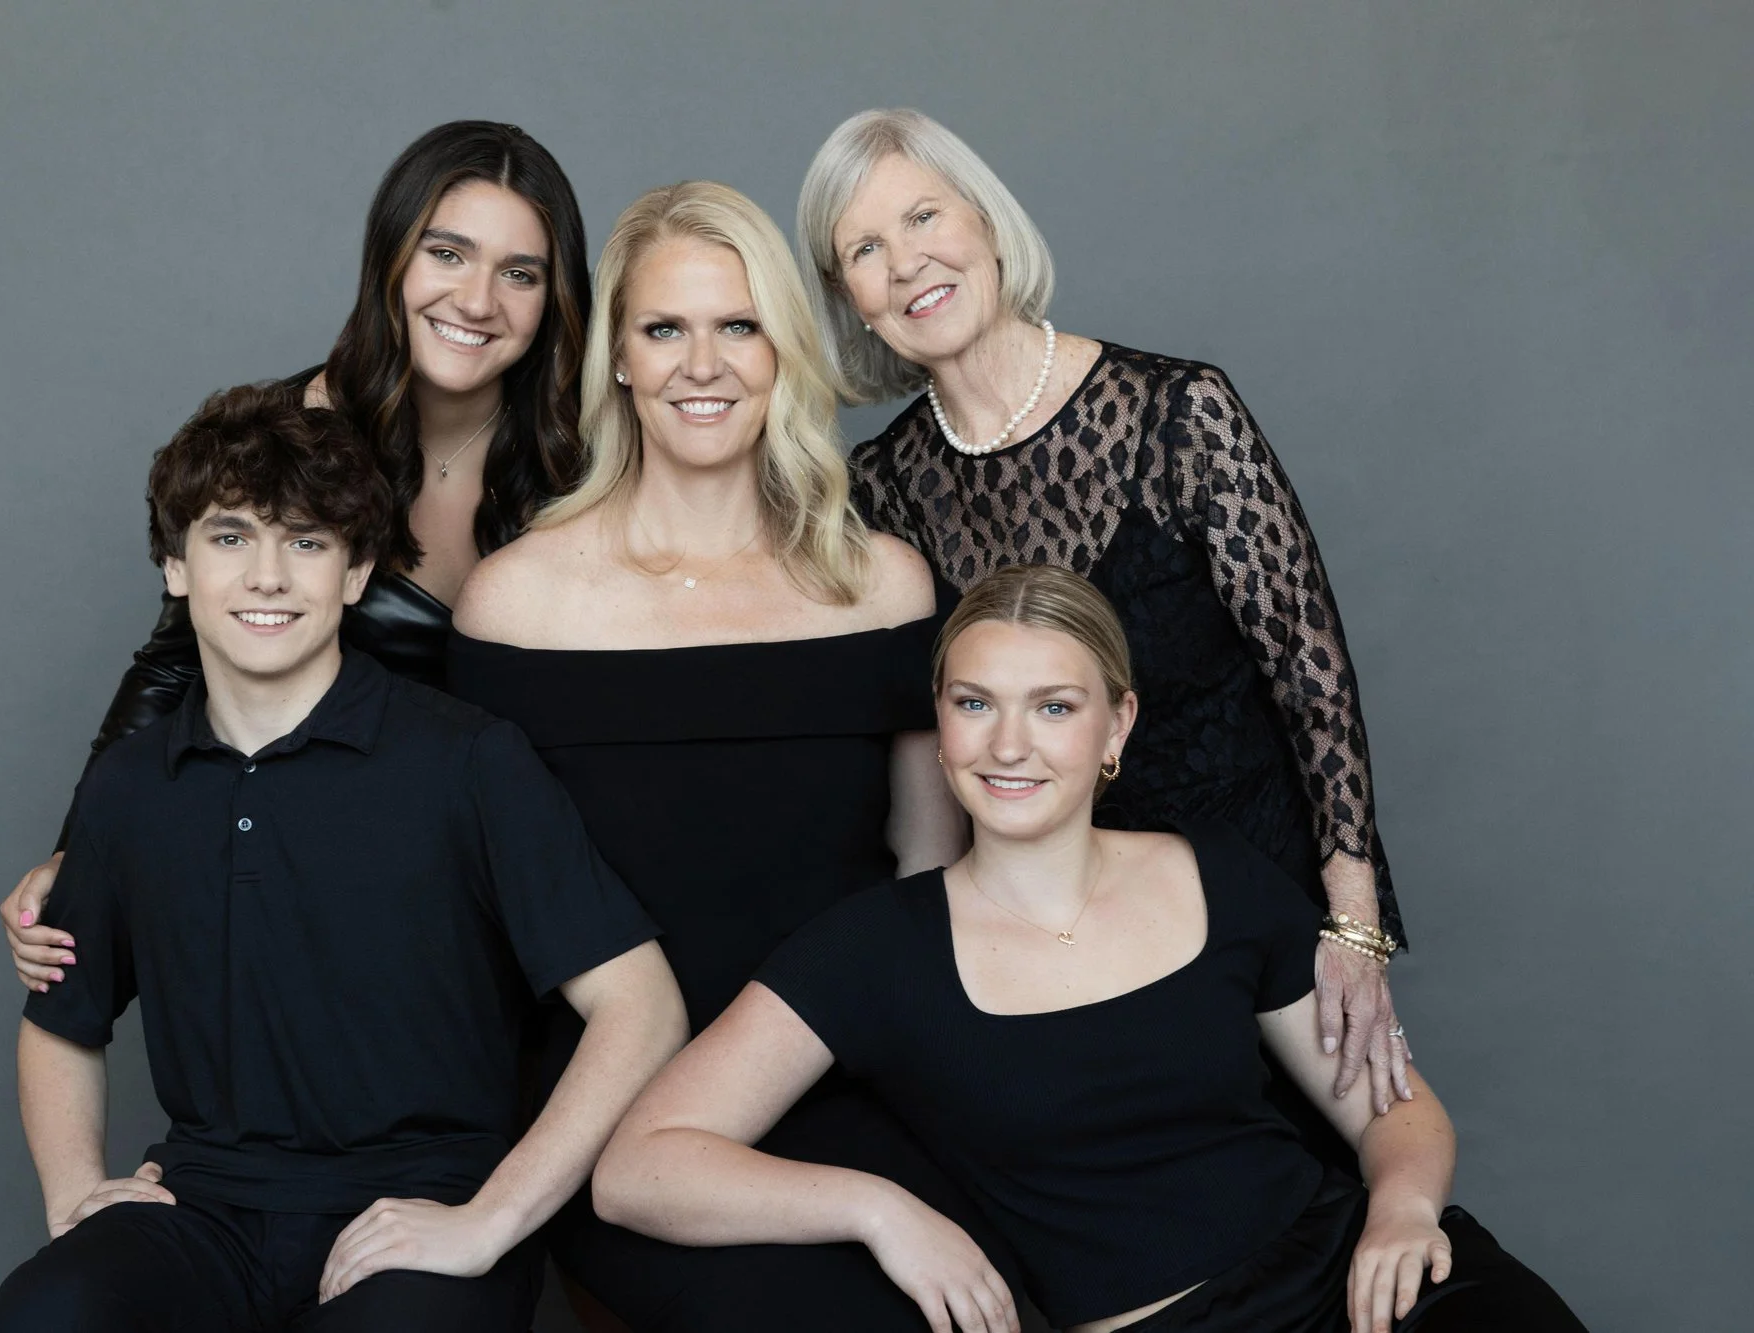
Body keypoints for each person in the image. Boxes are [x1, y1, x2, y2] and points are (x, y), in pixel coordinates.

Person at [595, 564, 1586, 1333]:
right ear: (938, 728)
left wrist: (1404, 1211)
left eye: (1053, 706)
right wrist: (876, 1209)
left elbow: (1392, 1107)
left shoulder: (1218, 873)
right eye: (973, 702)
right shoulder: (874, 947)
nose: (1007, 744)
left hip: (1377, 1279)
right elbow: (639, 1170)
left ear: (1116, 726)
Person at [0, 384, 685, 1332]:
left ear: (355, 574)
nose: (268, 576)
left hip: (414, 1210)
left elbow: (643, 1005)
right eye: (229, 537)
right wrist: (73, 1193)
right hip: (202, 1210)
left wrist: (490, 1220)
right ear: (175, 565)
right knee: (39, 1318)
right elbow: (62, 1018)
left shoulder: (468, 760)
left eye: (305, 542)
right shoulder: (131, 785)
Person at [446, 180, 1012, 1331]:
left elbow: (926, 876)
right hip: (613, 1108)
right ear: (616, 357)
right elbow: (480, 918)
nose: (700, 364)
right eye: (664, 329)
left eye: (737, 326)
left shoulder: (879, 584)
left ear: (783, 353)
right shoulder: (516, 603)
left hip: (848, 1081)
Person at [797, 107, 1409, 1117]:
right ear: (850, 302)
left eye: (922, 218)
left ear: (985, 225)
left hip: (1255, 912)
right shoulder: (885, 489)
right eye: (863, 249)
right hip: (1057, 943)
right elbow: (930, 759)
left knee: (1331, 1179)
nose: (904, 263)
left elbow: (1312, 677)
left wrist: (1351, 927)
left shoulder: (1179, 413)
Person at [0, 119, 593, 991]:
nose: (477, 301)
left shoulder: (584, 465)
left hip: (538, 880)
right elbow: (171, 667)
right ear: (390, 256)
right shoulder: (287, 435)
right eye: (447, 254)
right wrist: (75, 850)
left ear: (553, 298)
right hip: (333, 876)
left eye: (520, 274)